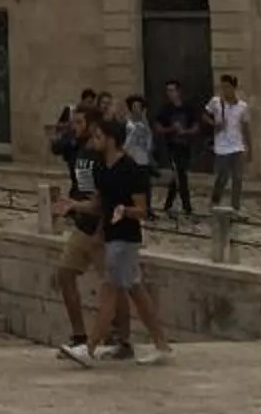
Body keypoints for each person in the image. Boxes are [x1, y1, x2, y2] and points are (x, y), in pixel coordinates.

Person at [66, 115, 172, 366]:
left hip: (125, 239)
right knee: (136, 292)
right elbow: (99, 205)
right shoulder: (103, 168)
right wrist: (73, 205)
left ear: (112, 139)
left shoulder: (130, 169)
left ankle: (89, 349)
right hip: (111, 238)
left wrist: (125, 210)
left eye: (98, 136)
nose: (94, 140)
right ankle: (162, 345)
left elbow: (143, 210)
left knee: (109, 293)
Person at [46, 106, 103, 356]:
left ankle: (122, 339)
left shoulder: (101, 153)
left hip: (101, 227)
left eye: (79, 122)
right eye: (74, 122)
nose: (75, 127)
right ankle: (79, 335)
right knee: (65, 273)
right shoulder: (76, 148)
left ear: (91, 125)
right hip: (82, 223)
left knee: (118, 286)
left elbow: (104, 194)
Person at [151, 83, 201, 218]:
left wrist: (186, 131)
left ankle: (168, 204)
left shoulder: (188, 108)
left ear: (179, 91)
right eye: (168, 90)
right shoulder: (166, 110)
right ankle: (186, 207)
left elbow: (196, 126)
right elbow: (158, 127)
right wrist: (171, 129)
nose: (170, 93)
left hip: (185, 147)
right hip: (172, 147)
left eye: (172, 90)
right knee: (180, 176)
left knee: (178, 176)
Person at [204, 75, 252, 212]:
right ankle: (215, 199)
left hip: (237, 146)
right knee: (222, 177)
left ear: (234, 88)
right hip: (221, 147)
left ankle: (235, 207)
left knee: (237, 178)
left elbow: (246, 128)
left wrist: (249, 148)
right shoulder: (216, 102)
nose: (225, 90)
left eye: (227, 87)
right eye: (223, 87)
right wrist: (214, 124)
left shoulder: (242, 106)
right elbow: (204, 115)